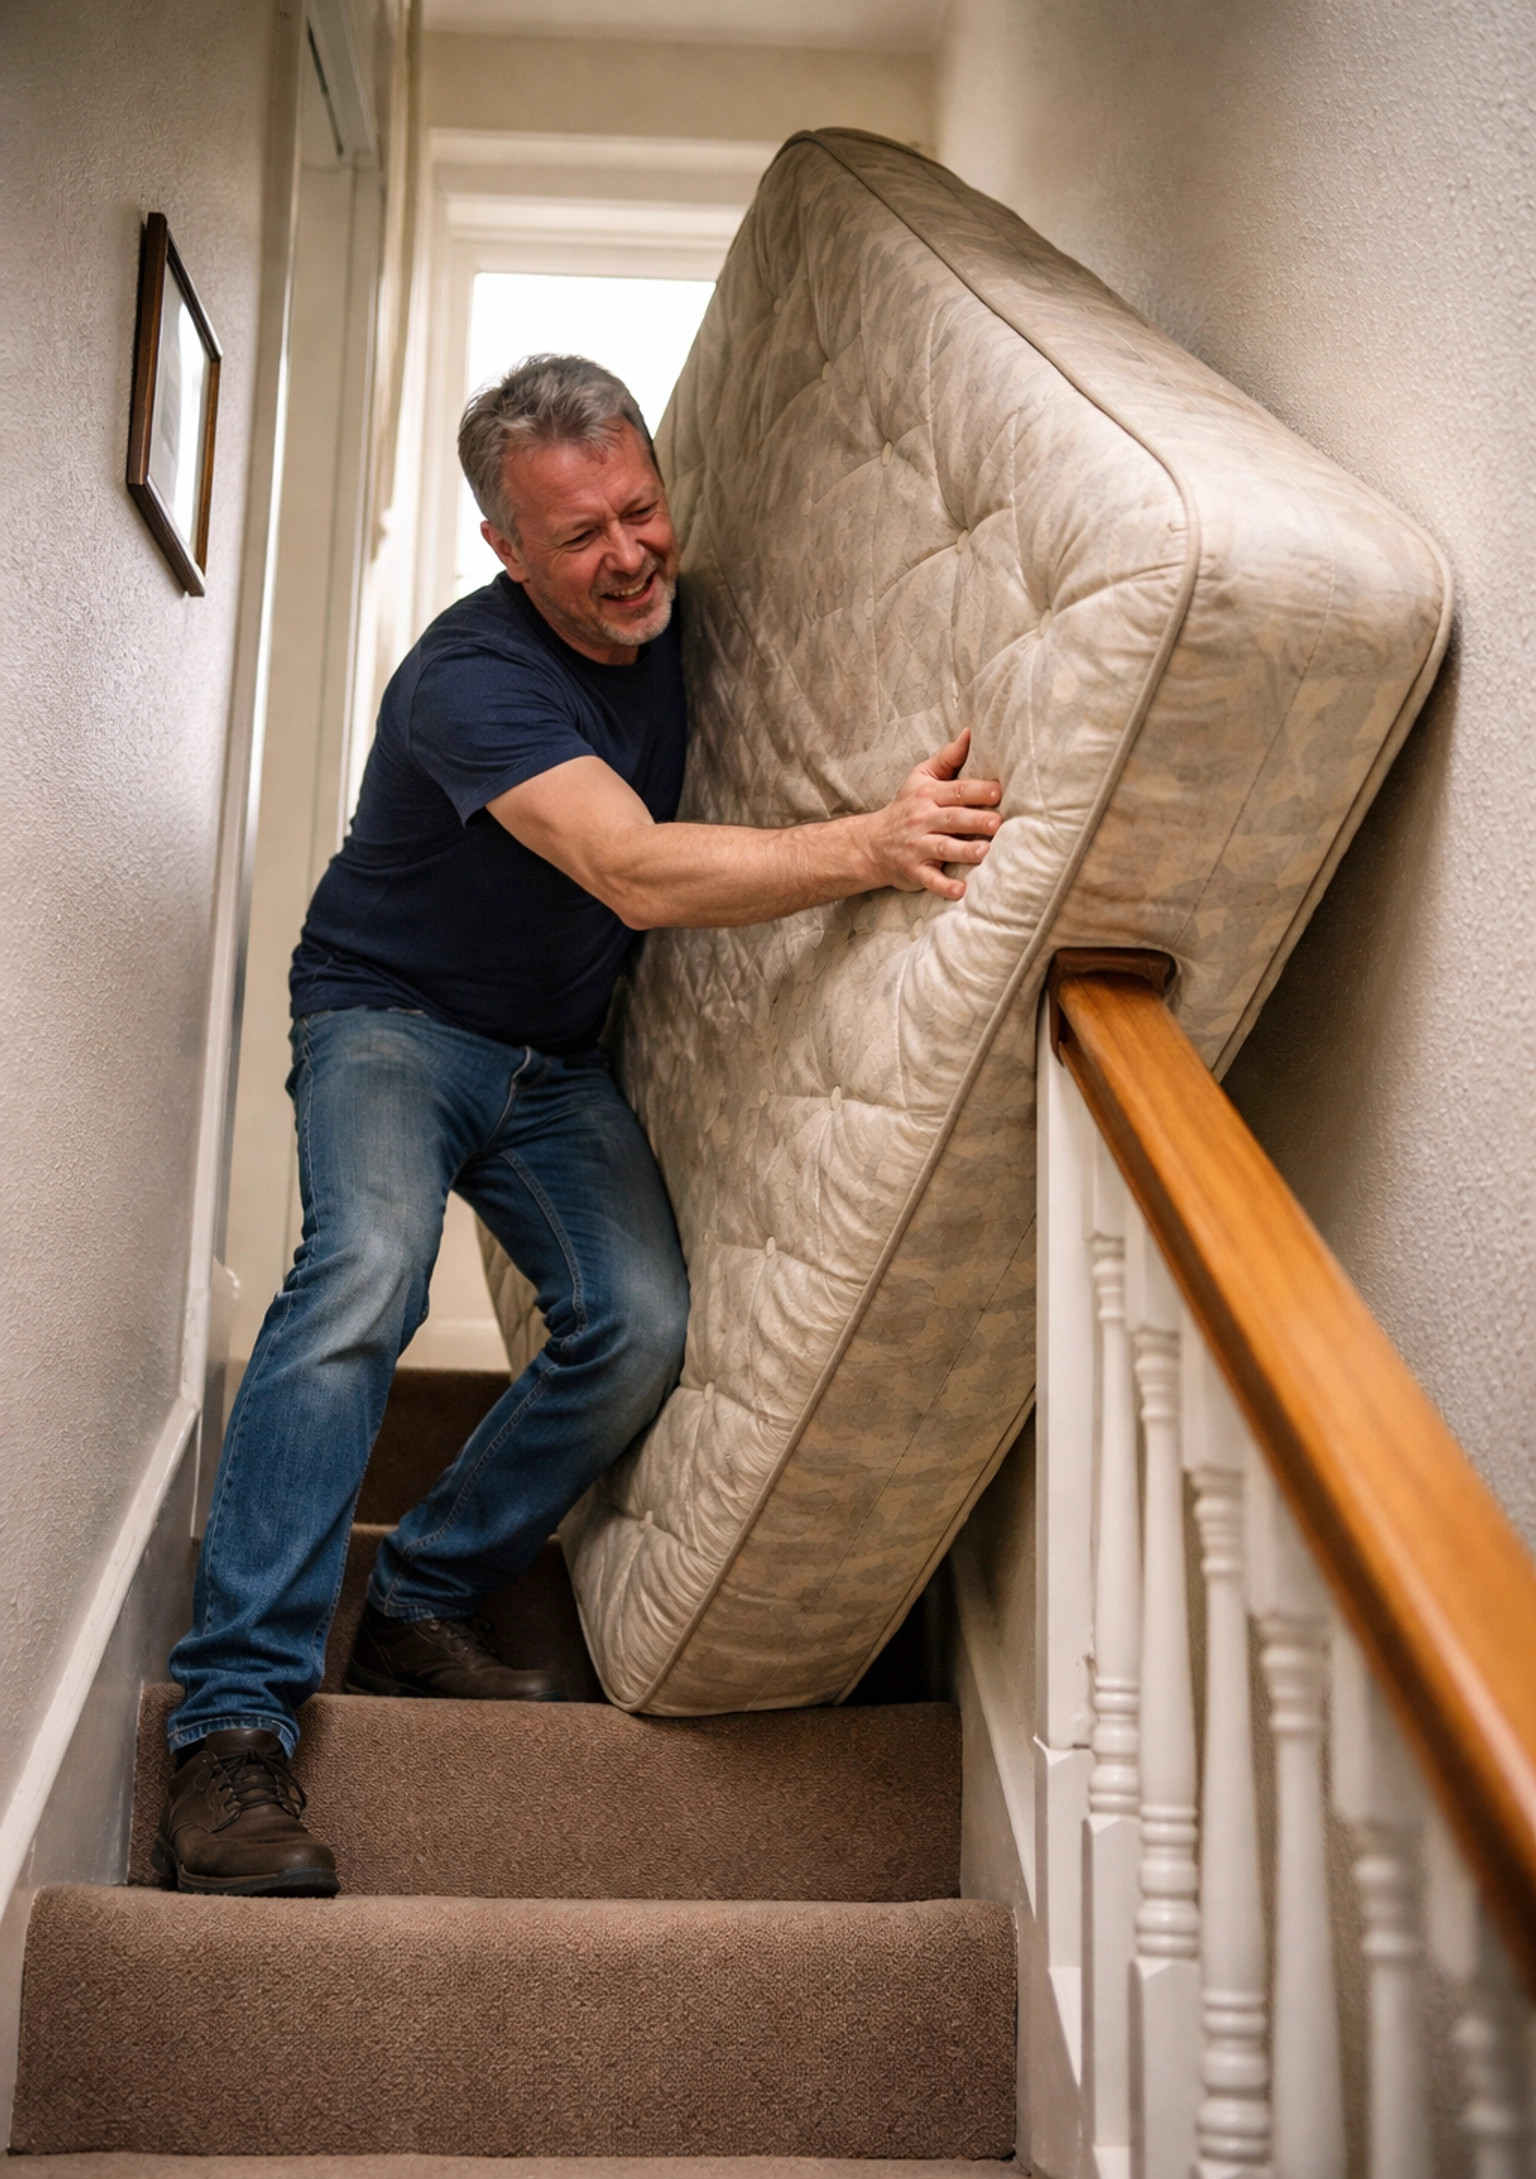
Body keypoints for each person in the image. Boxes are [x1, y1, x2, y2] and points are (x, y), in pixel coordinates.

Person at [153, 354, 1004, 1897]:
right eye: (580, 537)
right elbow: (635, 873)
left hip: (552, 1057)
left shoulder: (675, 615)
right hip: (390, 1022)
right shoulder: (470, 679)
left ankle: (421, 1593)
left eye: (642, 508)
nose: (628, 557)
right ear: (506, 552)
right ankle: (228, 1727)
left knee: (639, 1321)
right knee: (364, 1281)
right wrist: (878, 844)